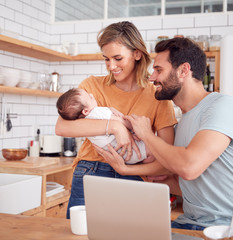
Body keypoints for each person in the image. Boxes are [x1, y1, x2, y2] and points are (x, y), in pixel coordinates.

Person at [94, 37, 233, 233]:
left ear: (184, 70)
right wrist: (138, 171)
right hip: (191, 222)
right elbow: (192, 185)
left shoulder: (222, 106)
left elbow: (189, 167)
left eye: (158, 70)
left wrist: (147, 135)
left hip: (232, 227)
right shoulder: (182, 122)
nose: (152, 78)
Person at [55, 21, 177, 219]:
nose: (111, 66)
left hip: (136, 175)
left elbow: (168, 155)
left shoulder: (157, 94)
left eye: (118, 58)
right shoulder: (92, 85)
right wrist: (114, 127)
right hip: (92, 170)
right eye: (106, 59)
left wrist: (126, 169)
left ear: (137, 54)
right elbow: (62, 127)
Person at [56, 87, 155, 164]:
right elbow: (122, 122)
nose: (91, 94)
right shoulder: (98, 112)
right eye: (90, 97)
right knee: (154, 151)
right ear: (85, 111)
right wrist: (136, 127)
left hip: (119, 156)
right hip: (129, 149)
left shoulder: (81, 122)